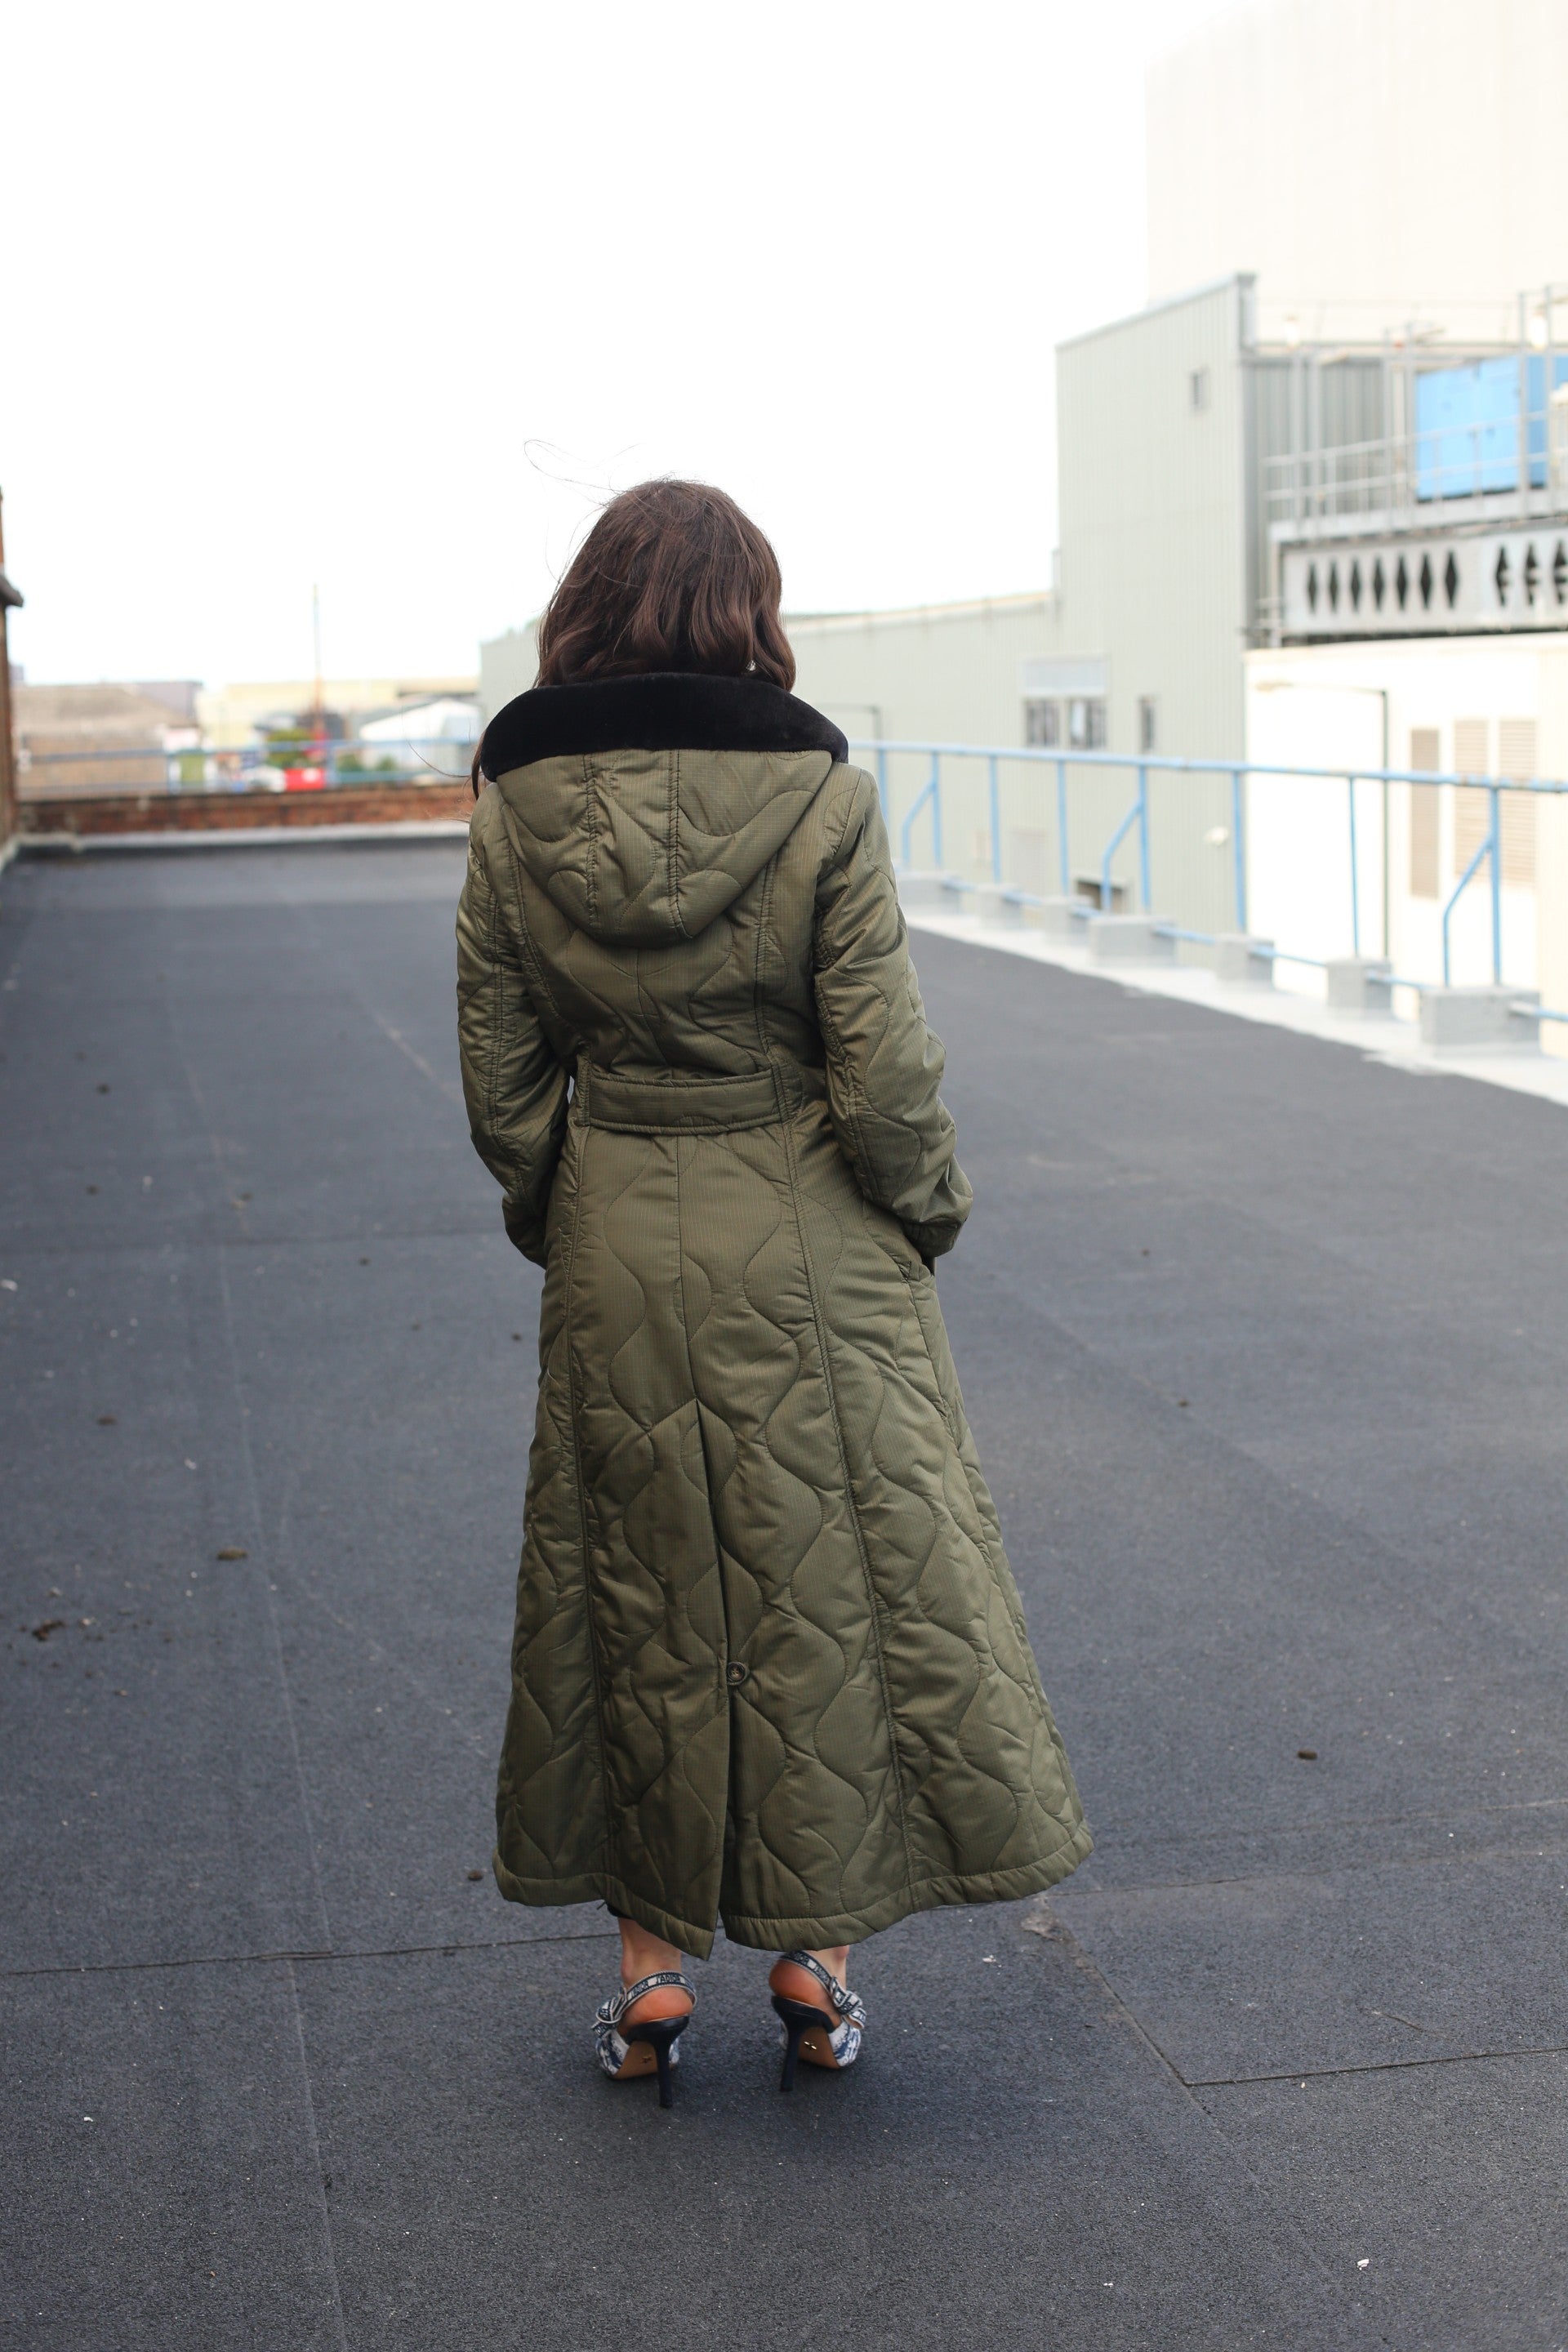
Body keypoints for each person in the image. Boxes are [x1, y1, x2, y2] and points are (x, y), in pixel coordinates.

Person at [457, 480, 1089, 2108]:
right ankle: (815, 1968)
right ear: (754, 606)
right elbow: (884, 1072)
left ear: (586, 604)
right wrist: (921, 1214)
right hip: (810, 1232)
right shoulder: (820, 789)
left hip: (617, 1225)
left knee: (634, 1602)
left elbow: (503, 1070)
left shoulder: (513, 796)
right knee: (822, 1593)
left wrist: (567, 1210)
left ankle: (650, 1977)